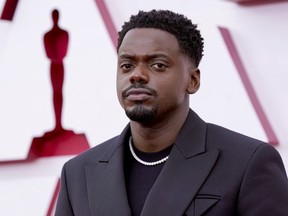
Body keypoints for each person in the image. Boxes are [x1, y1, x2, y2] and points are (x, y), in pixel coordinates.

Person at [55, 9, 288, 216]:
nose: (137, 75)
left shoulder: (248, 162)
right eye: (127, 65)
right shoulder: (77, 173)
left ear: (193, 80)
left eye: (157, 65)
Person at [43, 9, 69, 135]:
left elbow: (62, 53)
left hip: (58, 65)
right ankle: (57, 124)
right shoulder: (47, 36)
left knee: (59, 92)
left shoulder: (63, 34)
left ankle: (59, 124)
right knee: (56, 92)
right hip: (54, 66)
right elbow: (50, 54)